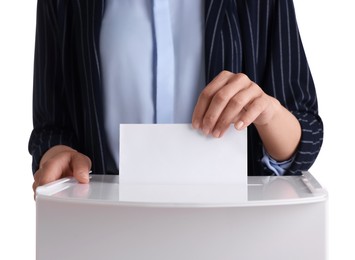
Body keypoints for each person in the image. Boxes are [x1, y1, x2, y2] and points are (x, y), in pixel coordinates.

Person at [29, 0, 323, 194]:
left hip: (233, 232)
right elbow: (52, 125)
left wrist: (267, 113)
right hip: (107, 229)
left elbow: (305, 133)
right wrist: (56, 154)